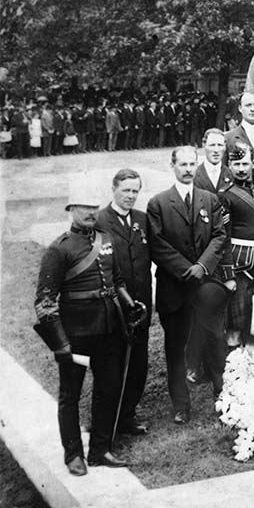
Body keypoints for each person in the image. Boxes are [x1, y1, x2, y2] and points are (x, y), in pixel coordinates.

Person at [35, 177, 146, 474]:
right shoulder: (59, 250)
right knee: (71, 394)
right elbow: (44, 303)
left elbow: (117, 280)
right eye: (83, 206)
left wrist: (128, 303)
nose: (90, 212)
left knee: (108, 389)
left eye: (94, 206)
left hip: (109, 332)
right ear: (71, 208)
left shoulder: (106, 239)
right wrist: (61, 346)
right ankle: (73, 455)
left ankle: (100, 450)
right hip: (77, 337)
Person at [148, 146, 228, 422]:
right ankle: (181, 404)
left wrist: (202, 266)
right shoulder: (158, 204)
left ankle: (223, 395)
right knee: (176, 348)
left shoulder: (209, 199)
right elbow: (158, 245)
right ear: (173, 166)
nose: (188, 169)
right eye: (182, 164)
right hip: (175, 288)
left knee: (215, 340)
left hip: (205, 287)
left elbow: (219, 236)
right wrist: (186, 269)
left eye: (192, 164)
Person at [93, 170, 152, 438]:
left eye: (135, 191)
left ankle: (127, 415)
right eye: (126, 190)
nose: (131, 196)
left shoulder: (142, 219)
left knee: (139, 365)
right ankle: (109, 422)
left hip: (140, 306)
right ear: (114, 189)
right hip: (113, 307)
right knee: (112, 367)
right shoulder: (100, 221)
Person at [219, 142, 254, 347]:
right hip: (240, 267)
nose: (241, 169)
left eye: (245, 163)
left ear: (253, 163)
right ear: (229, 165)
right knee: (237, 323)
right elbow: (222, 238)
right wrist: (228, 275)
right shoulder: (225, 196)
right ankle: (235, 370)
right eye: (236, 164)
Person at [225, 91, 254, 184]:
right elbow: (225, 170)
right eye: (248, 105)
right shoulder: (229, 138)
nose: (252, 109)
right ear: (240, 108)